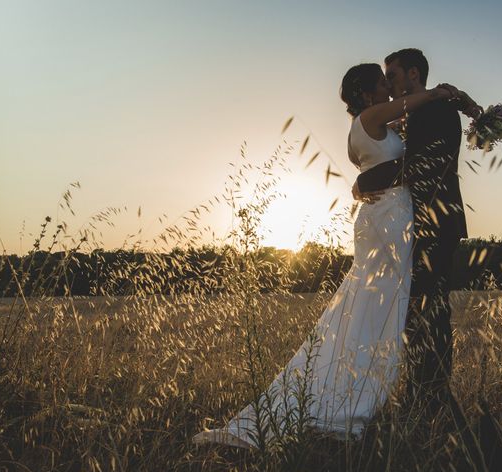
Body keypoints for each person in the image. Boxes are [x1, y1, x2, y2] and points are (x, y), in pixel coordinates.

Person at [192, 63, 462, 449]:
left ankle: (350, 379)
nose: (390, 87)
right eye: (384, 82)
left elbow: (388, 155)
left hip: (379, 216)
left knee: (371, 303)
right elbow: (410, 112)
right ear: (368, 94)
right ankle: (352, 393)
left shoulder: (365, 128)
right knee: (385, 303)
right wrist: (438, 94)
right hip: (389, 218)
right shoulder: (372, 116)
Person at [352, 48, 482, 416]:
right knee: (416, 314)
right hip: (418, 224)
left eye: (392, 75)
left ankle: (434, 400)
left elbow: (422, 165)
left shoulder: (436, 110)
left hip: (437, 224)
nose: (388, 82)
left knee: (432, 312)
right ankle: (423, 394)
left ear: (413, 74)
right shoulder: (419, 111)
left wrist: (366, 180)